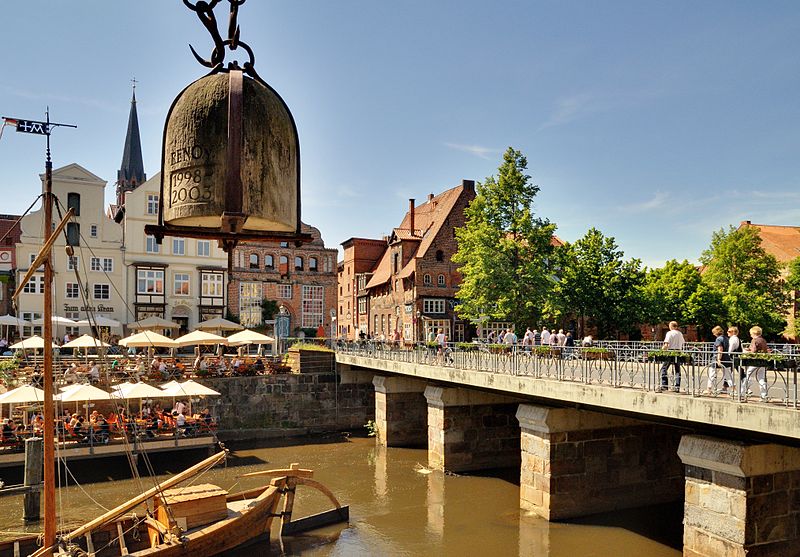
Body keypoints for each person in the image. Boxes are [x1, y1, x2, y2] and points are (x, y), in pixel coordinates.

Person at [740, 326, 770, 402]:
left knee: (748, 376)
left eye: (751, 334)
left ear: (754, 333)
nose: (750, 335)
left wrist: (746, 351)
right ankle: (764, 396)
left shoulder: (755, 340)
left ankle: (742, 394)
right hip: (763, 361)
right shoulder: (763, 340)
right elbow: (764, 350)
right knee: (761, 378)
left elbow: (753, 352)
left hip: (754, 362)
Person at [705, 326, 732, 395]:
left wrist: (718, 359)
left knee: (712, 374)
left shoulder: (718, 339)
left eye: (714, 333)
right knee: (728, 375)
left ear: (716, 332)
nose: (713, 334)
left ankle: (709, 389)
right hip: (726, 358)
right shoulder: (726, 338)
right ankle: (733, 390)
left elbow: (720, 349)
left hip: (717, 358)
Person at [660, 321, 686, 391]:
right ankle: (677, 387)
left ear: (671, 326)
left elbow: (666, 344)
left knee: (664, 368)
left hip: (670, 352)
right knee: (677, 370)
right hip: (678, 352)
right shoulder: (680, 333)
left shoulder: (669, 333)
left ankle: (664, 385)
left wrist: (661, 351)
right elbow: (683, 342)